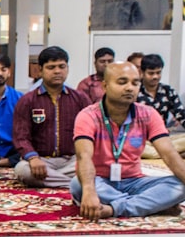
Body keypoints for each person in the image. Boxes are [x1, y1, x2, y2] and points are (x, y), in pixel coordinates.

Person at [73, 62, 185, 219]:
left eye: (135, 83)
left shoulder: (149, 114)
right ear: (105, 86)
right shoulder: (88, 116)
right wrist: (89, 190)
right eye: (122, 82)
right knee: (78, 185)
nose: (130, 88)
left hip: (135, 182)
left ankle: (113, 209)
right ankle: (149, 206)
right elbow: (83, 156)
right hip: (100, 181)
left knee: (180, 186)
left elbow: (169, 153)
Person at [12, 47, 91, 188]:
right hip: (41, 160)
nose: (57, 71)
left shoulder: (80, 99)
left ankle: (59, 182)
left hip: (72, 160)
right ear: (40, 70)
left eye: (62, 66)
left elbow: (92, 131)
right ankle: (74, 184)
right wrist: (33, 158)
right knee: (22, 170)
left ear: (67, 68)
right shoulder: (28, 100)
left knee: (96, 164)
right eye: (51, 67)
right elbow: (21, 137)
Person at [136, 53, 185, 157]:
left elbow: (181, 115)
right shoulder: (134, 91)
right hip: (141, 140)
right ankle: (170, 153)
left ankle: (165, 152)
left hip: (163, 138)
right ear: (142, 72)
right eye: (151, 73)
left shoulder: (168, 91)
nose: (155, 76)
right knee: (131, 145)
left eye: (158, 73)